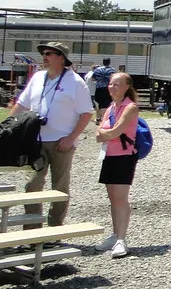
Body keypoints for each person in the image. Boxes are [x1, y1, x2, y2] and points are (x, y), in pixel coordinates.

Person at [10, 42, 94, 232]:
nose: (44, 57)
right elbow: (21, 105)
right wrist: (8, 126)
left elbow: (86, 113)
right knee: (32, 185)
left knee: (60, 187)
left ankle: (55, 231)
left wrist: (71, 138)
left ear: (61, 58)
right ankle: (32, 232)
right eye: (43, 53)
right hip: (35, 141)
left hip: (61, 142)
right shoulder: (38, 77)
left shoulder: (75, 82)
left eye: (49, 53)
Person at [94, 72, 140, 258]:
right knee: (112, 197)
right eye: (111, 84)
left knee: (121, 198)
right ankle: (114, 235)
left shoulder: (131, 108)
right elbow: (99, 132)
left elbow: (114, 131)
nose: (112, 87)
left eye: (117, 84)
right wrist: (106, 133)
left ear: (127, 87)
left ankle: (122, 238)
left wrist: (106, 133)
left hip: (124, 157)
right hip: (109, 156)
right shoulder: (111, 107)